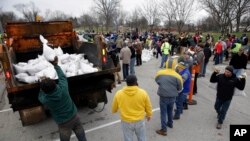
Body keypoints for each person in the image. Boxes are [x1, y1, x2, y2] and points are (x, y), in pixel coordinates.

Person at [38, 56, 87, 141]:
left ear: (45, 91)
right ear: (54, 83)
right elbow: (62, 77)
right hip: (75, 118)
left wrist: (41, 87)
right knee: (82, 138)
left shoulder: (47, 100)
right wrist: (56, 65)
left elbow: (40, 97)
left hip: (64, 124)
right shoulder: (63, 89)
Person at [112, 75, 152, 141]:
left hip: (126, 121)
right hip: (139, 120)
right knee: (142, 138)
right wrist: (149, 114)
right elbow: (148, 106)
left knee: (128, 139)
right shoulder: (143, 93)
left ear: (126, 83)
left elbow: (114, 109)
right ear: (136, 82)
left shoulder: (119, 94)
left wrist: (115, 110)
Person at [155, 57, 183, 136]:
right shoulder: (178, 76)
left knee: (163, 112)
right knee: (170, 110)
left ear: (166, 64)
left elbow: (157, 80)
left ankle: (164, 129)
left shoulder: (160, 73)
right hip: (173, 96)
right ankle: (170, 123)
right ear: (175, 65)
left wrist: (163, 84)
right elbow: (180, 88)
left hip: (163, 96)